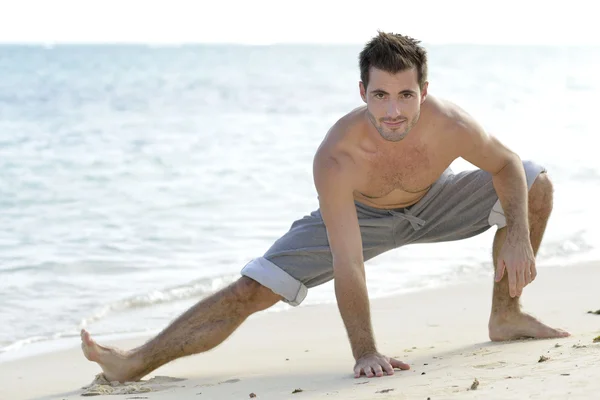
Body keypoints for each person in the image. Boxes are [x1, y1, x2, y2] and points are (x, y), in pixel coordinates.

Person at [81, 31, 569, 382]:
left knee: (535, 183)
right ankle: (134, 362)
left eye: (405, 95)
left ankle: (506, 315)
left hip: (436, 201)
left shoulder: (452, 124)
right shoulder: (338, 156)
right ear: (363, 92)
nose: (393, 111)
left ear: (424, 91)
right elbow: (348, 264)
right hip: (364, 217)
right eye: (380, 95)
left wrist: (520, 236)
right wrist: (365, 352)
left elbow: (504, 165)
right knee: (251, 289)